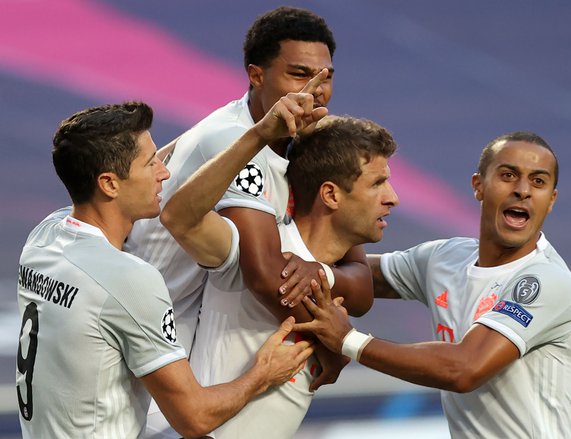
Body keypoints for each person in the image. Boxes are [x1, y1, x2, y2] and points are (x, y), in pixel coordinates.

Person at [15, 101, 315, 438]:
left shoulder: (44, 237)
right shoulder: (128, 280)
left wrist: (256, 133)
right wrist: (262, 374)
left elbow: (143, 161)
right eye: (150, 163)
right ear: (109, 184)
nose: (165, 172)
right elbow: (194, 417)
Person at [294, 132, 571, 438]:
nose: (523, 191)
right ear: (478, 186)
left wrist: (346, 341)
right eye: (508, 175)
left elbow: (464, 369)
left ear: (551, 200)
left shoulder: (547, 280)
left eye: (538, 182)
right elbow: (350, 274)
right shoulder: (446, 258)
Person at [124, 6, 371, 360]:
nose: (316, 91)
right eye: (300, 75)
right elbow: (268, 278)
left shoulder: (307, 142)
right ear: (256, 75)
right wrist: (331, 348)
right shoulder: (229, 139)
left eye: (326, 77)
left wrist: (324, 274)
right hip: (154, 346)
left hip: (199, 344)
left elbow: (361, 283)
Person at [158, 114, 399, 438]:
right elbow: (179, 218)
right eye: (377, 183)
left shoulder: (337, 278)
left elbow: (361, 292)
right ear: (330, 195)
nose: (393, 197)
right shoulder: (255, 253)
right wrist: (255, 136)